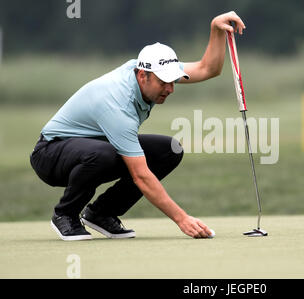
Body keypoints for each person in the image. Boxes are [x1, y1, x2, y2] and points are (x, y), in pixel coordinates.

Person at [29, 11, 246, 241]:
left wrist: (216, 29)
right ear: (143, 76)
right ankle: (65, 214)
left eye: (173, 81)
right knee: (103, 155)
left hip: (92, 148)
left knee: (169, 150)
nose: (170, 89)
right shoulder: (116, 104)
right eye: (164, 82)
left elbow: (207, 69)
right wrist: (182, 219)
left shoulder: (148, 69)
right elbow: (141, 176)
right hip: (50, 154)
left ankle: (102, 213)